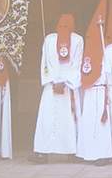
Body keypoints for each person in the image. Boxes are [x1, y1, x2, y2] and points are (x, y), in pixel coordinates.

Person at [76, 0, 112, 163]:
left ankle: (105, 154)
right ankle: (89, 153)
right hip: (91, 92)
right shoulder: (91, 50)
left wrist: (107, 74)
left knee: (103, 125)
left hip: (106, 92)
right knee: (90, 123)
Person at [32, 13, 82, 158]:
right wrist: (63, 81)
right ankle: (45, 151)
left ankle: (68, 151)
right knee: (49, 119)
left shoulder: (75, 40)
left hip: (58, 86)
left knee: (61, 119)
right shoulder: (51, 39)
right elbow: (75, 65)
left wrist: (55, 81)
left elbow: (45, 65)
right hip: (62, 85)